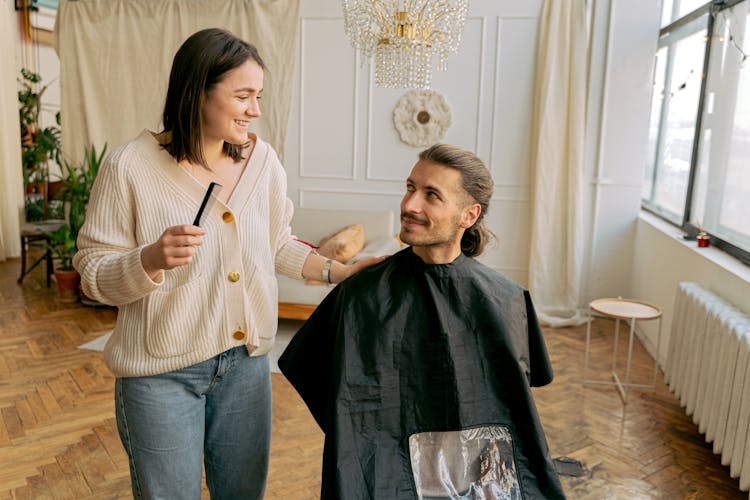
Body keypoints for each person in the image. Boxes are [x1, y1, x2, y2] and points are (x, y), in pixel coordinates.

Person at [74, 28, 382, 499]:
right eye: (242, 96)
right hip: (160, 373)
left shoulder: (263, 162)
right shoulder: (129, 167)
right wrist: (150, 260)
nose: (255, 110)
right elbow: (93, 276)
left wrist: (335, 272)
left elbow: (275, 243)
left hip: (246, 368)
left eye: (258, 95)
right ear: (197, 92)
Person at [279, 144, 566, 499]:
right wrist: (368, 434)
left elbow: (516, 394)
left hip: (481, 472)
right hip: (380, 467)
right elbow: (311, 370)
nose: (410, 205)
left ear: (469, 215)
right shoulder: (360, 294)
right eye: (410, 188)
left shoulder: (507, 299)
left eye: (432, 195)